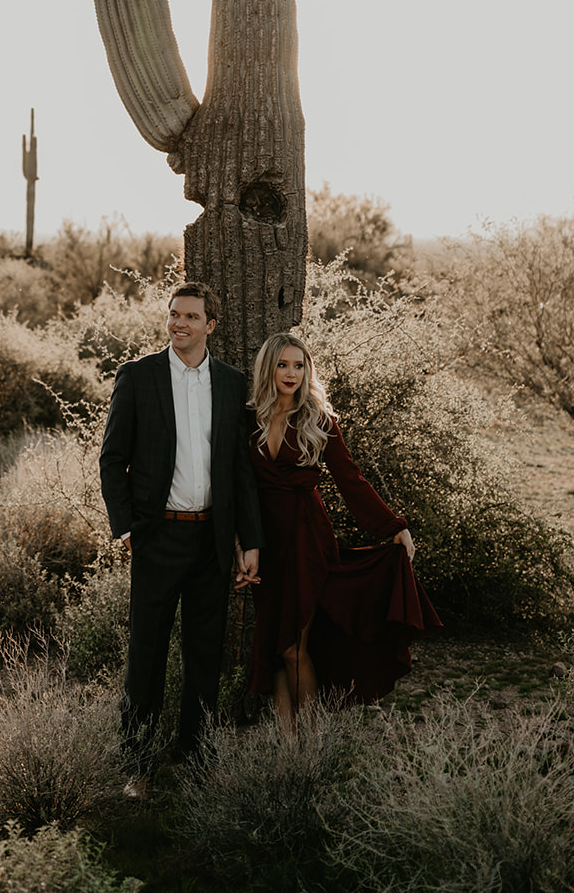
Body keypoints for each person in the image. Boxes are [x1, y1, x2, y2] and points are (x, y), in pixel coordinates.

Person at [99, 282, 263, 797]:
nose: (180, 324)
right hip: (157, 537)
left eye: (192, 317)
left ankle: (198, 761)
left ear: (211, 325)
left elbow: (240, 469)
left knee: (205, 655)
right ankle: (139, 767)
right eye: (174, 315)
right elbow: (111, 459)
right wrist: (126, 527)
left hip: (212, 539)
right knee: (145, 656)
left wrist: (249, 539)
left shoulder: (233, 383)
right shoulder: (139, 376)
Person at [247, 331, 441, 726]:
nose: (291, 373)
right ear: (269, 368)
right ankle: (288, 750)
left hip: (305, 538)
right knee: (276, 645)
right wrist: (241, 540)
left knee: (294, 646)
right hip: (265, 543)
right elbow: (238, 486)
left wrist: (393, 526)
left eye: (299, 365)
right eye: (283, 365)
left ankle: (311, 744)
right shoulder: (250, 416)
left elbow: (350, 478)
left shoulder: (317, 419)